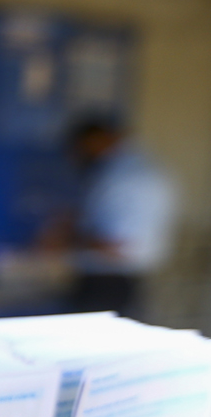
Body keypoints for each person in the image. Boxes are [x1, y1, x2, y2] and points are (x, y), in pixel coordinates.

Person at [58, 117, 176, 316]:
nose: (79, 155)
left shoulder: (126, 175)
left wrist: (63, 240)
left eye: (80, 148)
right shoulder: (140, 167)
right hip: (122, 279)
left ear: (95, 140)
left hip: (108, 283)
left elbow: (114, 246)